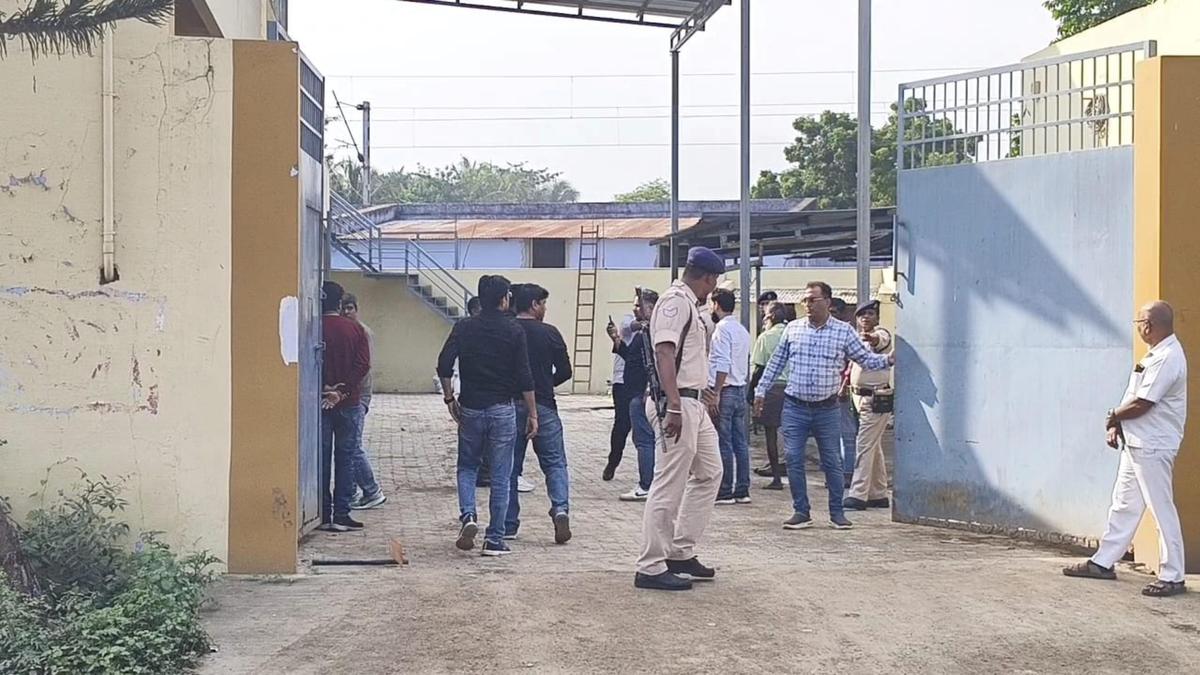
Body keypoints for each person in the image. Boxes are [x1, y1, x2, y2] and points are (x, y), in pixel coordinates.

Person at [1063, 300, 1188, 598]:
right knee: (1124, 505)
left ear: (1151, 325)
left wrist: (1113, 416)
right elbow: (1134, 395)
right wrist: (1116, 424)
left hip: (1154, 446)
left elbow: (1144, 403)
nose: (1139, 327)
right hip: (1137, 444)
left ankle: (1173, 575)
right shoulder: (1154, 355)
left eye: (1140, 322)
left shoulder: (1169, 357)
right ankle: (1103, 563)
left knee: (1161, 510)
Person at [754, 282, 893, 531]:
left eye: (812, 300)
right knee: (794, 458)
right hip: (795, 406)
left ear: (827, 302)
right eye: (805, 300)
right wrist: (760, 390)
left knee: (832, 461)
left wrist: (888, 360)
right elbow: (776, 362)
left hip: (826, 408)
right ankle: (801, 511)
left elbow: (865, 358)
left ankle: (836, 513)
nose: (807, 304)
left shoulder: (843, 332)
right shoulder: (793, 330)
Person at [635, 247, 725, 592]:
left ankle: (679, 550)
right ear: (708, 278)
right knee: (669, 483)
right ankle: (650, 565)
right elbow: (664, 352)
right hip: (676, 403)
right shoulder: (675, 302)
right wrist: (673, 404)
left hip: (692, 402)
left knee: (710, 472)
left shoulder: (691, 303)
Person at [436, 275, 537, 557]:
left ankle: (468, 516)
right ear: (504, 299)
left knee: (467, 467)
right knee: (502, 475)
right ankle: (494, 539)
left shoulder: (464, 327)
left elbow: (443, 363)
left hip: (470, 407)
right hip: (503, 409)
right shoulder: (514, 330)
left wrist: (449, 398)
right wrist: (532, 413)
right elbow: (524, 375)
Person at [505, 283, 574, 545]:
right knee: (555, 463)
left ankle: (509, 523)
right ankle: (560, 509)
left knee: (510, 467)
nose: (545, 308)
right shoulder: (550, 333)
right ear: (534, 304)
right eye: (543, 303)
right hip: (544, 406)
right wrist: (544, 383)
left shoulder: (508, 331)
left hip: (510, 406)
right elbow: (565, 371)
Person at [318, 281, 371, 532]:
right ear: (340, 304)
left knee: (321, 458)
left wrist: (325, 388)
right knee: (346, 457)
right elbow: (363, 365)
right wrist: (342, 391)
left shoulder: (312, 329)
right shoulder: (355, 330)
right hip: (348, 402)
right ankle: (341, 512)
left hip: (318, 402)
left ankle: (321, 513)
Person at [843, 300, 893, 511]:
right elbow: (852, 367)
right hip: (858, 397)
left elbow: (878, 341)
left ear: (877, 317)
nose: (865, 318)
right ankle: (878, 493)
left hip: (875, 398)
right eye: (862, 315)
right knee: (873, 446)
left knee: (863, 445)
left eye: (870, 314)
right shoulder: (856, 338)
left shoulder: (882, 334)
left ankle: (858, 494)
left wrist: (871, 338)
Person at [339, 294, 387, 511]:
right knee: (347, 446)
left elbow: (362, 367)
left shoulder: (362, 332)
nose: (346, 312)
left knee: (353, 447)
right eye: (343, 308)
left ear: (356, 309)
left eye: (349, 308)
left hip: (357, 394)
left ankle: (372, 490)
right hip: (351, 394)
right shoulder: (350, 331)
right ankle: (351, 491)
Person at [614, 289, 660, 502]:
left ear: (650, 307)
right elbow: (632, 358)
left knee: (644, 440)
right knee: (643, 440)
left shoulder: (651, 333)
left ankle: (646, 484)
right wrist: (616, 341)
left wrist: (647, 389)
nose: (635, 309)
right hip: (635, 391)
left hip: (642, 394)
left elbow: (652, 364)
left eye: (639, 305)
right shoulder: (643, 334)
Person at [708, 288, 753, 506]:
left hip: (725, 390)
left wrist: (715, 392)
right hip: (739, 388)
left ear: (716, 305)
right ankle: (742, 489)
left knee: (723, 442)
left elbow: (722, 363)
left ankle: (725, 489)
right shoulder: (742, 330)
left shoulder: (721, 330)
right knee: (740, 443)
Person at [749, 301, 790, 490]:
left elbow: (759, 367)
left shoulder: (766, 337)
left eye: (765, 315)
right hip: (794, 388)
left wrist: (752, 392)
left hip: (774, 389)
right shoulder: (793, 333)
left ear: (771, 317)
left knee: (771, 434)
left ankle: (776, 477)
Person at [831, 297, 860, 488]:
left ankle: (848, 472)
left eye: (833, 312)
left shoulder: (846, 334)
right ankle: (838, 472)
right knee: (833, 435)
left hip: (844, 391)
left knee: (847, 434)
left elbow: (852, 364)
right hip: (828, 390)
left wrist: (843, 386)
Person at [604, 314, 636, 481]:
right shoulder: (627, 320)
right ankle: (613, 461)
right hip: (623, 381)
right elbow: (631, 326)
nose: (637, 309)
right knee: (622, 425)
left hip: (642, 383)